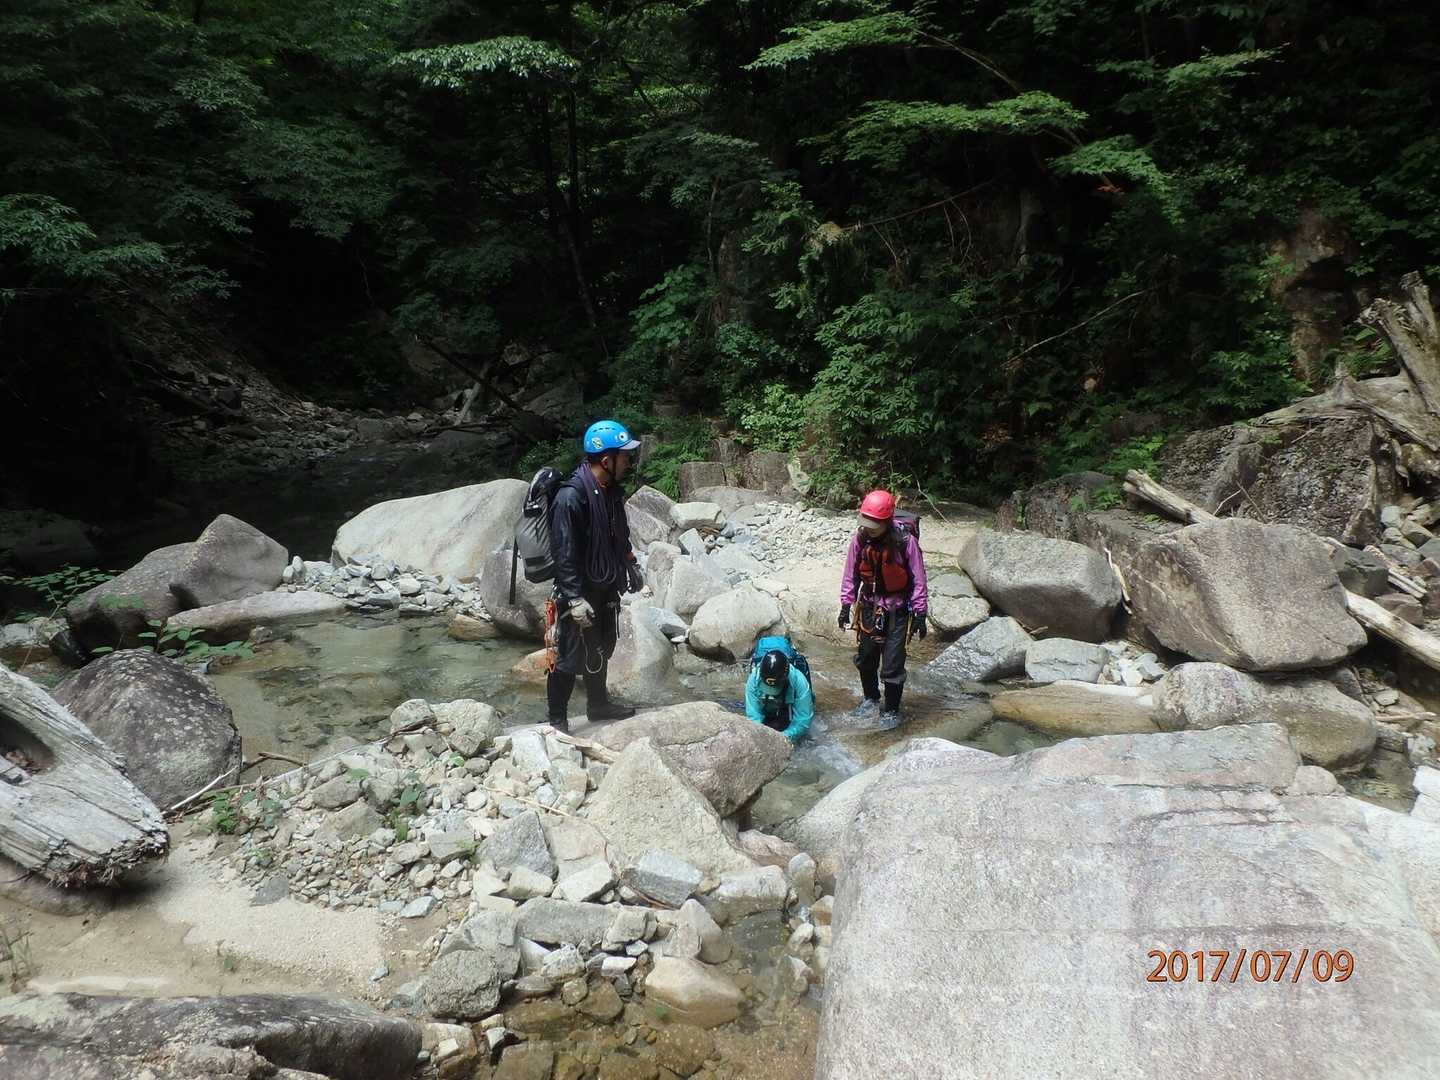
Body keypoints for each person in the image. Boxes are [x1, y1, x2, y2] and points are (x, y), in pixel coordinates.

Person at [546, 419, 647, 731]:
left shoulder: (611, 492)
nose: (629, 462)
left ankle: (598, 705)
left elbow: (619, 533)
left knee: (601, 645)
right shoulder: (570, 497)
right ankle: (557, 720)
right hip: (578, 590)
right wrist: (573, 599)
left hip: (604, 586)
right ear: (607, 460)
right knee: (568, 656)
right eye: (625, 456)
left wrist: (630, 562)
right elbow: (564, 553)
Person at [837, 489, 927, 728]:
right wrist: (845, 605)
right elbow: (850, 574)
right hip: (868, 607)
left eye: (873, 526)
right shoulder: (860, 539)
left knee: (892, 664)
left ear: (886, 522)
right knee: (866, 657)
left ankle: (892, 711)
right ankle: (870, 699)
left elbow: (918, 579)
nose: (868, 529)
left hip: (898, 611)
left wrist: (920, 613)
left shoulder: (905, 542)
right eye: (865, 524)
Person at [744, 647, 813, 745]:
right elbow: (754, 716)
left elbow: (803, 721)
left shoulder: (800, 682)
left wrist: (784, 738)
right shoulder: (754, 679)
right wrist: (760, 737)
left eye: (775, 687)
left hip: (788, 706)